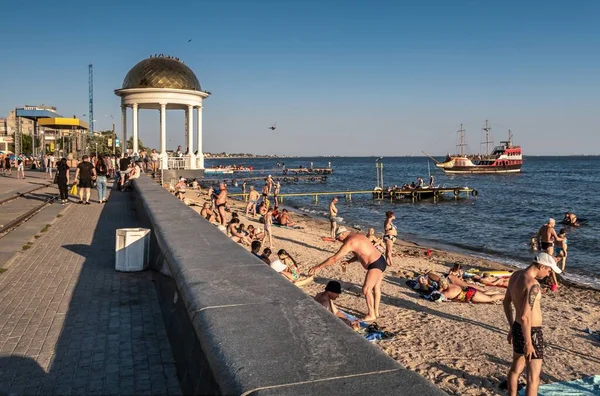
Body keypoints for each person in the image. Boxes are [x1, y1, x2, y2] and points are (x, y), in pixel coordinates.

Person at [503, 253, 562, 396]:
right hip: (532, 332)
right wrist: (529, 343)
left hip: (517, 327)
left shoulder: (515, 276)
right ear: (541, 266)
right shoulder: (533, 285)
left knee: (516, 369)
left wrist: (511, 327)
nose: (549, 274)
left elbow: (506, 302)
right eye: (548, 270)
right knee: (533, 377)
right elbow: (525, 316)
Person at [309, 227, 386, 321]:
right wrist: (349, 261)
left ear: (342, 234)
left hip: (375, 264)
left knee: (366, 289)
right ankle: (376, 312)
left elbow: (334, 259)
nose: (338, 240)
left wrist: (319, 267)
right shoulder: (357, 236)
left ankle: (371, 314)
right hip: (381, 260)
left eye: (338, 238)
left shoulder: (349, 242)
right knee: (376, 288)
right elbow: (361, 254)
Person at [535, 218, 563, 289]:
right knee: (551, 263)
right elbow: (557, 239)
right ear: (551, 223)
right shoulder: (551, 229)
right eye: (554, 223)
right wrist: (563, 239)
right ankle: (555, 283)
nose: (555, 225)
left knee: (544, 261)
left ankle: (544, 277)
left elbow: (538, 237)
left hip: (543, 244)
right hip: (549, 245)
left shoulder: (542, 227)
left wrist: (538, 245)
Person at [437, 278, 504, 303]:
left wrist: (440, 289)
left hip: (471, 295)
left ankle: (505, 295)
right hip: (470, 290)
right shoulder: (451, 285)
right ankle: (497, 292)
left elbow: (437, 298)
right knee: (484, 294)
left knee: (489, 298)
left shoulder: (447, 292)